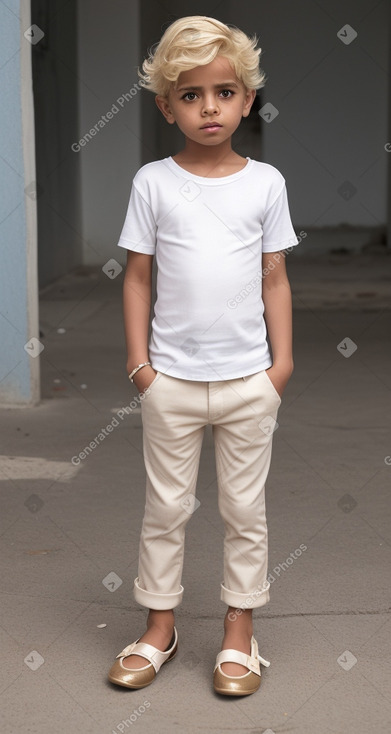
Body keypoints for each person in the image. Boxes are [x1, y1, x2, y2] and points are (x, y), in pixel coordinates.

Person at [108, 15, 300, 696]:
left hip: (250, 378)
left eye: (223, 92)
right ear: (165, 107)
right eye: (190, 95)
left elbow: (273, 275)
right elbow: (137, 277)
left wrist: (280, 368)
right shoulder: (152, 183)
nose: (208, 107)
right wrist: (141, 368)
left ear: (247, 99)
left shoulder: (265, 183)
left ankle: (239, 629)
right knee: (166, 506)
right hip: (172, 381)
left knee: (243, 510)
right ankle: (159, 626)